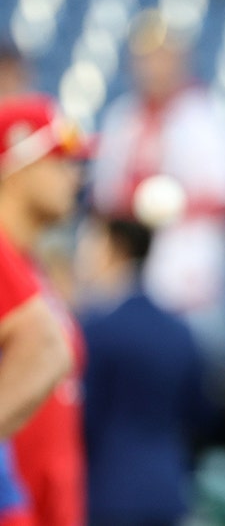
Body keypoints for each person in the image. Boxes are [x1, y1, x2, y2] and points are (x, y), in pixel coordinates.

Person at [88, 9, 225, 362]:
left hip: (183, 278)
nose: (155, 67)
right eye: (146, 58)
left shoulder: (208, 118)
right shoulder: (123, 117)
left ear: (183, 60)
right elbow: (103, 197)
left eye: (164, 57)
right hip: (123, 276)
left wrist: (170, 200)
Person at [74, 209, 210, 526]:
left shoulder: (96, 329)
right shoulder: (180, 331)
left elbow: (85, 415)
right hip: (167, 491)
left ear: (114, 247)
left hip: (106, 492)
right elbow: (202, 413)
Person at [0, 93, 90, 526]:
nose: (75, 176)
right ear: (15, 163)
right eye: (59, 159)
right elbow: (46, 351)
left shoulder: (31, 270)